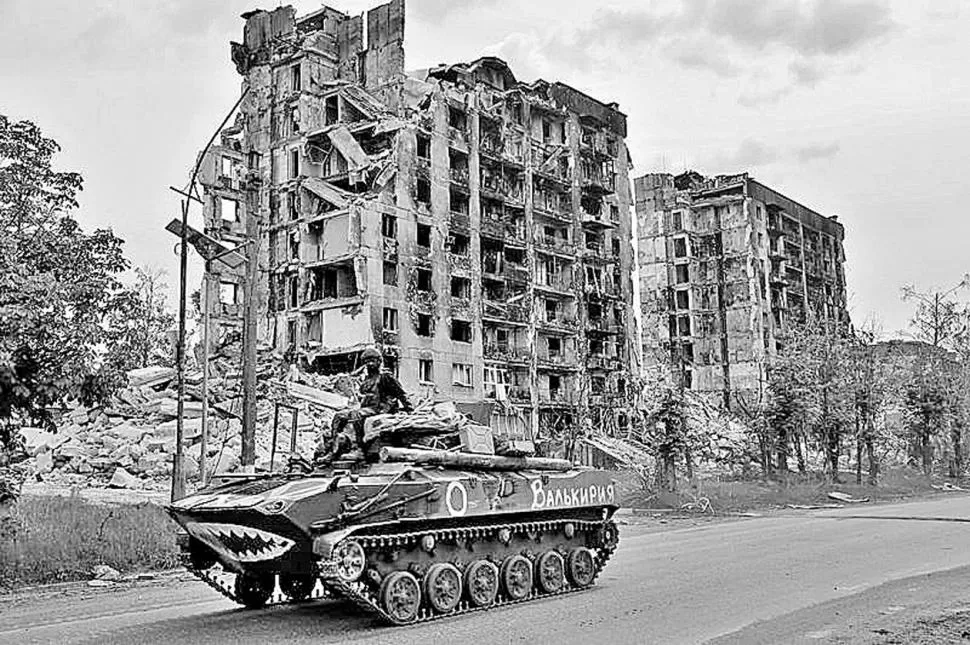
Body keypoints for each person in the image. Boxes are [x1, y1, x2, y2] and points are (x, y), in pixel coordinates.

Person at [315, 346, 413, 465]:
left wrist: (410, 411)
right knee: (339, 416)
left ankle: (358, 448)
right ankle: (333, 449)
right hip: (367, 408)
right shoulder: (367, 379)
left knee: (356, 415)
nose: (370, 364)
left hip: (381, 409)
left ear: (379, 361)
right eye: (367, 361)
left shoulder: (385, 377)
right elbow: (364, 397)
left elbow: (401, 394)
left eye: (373, 360)